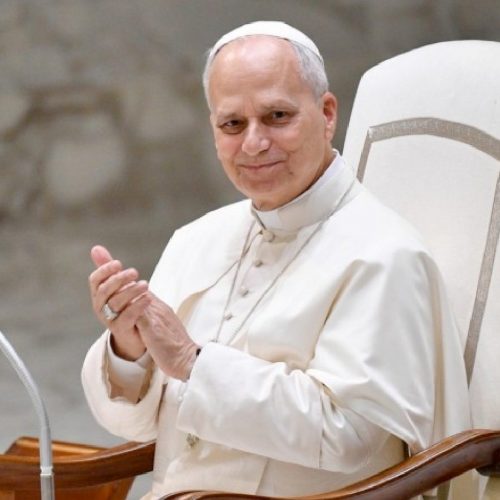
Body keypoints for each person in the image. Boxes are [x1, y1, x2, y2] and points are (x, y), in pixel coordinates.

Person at [82, 21, 470, 499]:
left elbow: (348, 434)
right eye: (232, 124)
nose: (253, 143)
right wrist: (129, 349)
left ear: (327, 114)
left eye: (277, 116)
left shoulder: (386, 255)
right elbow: (134, 426)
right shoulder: (195, 239)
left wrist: (190, 361)